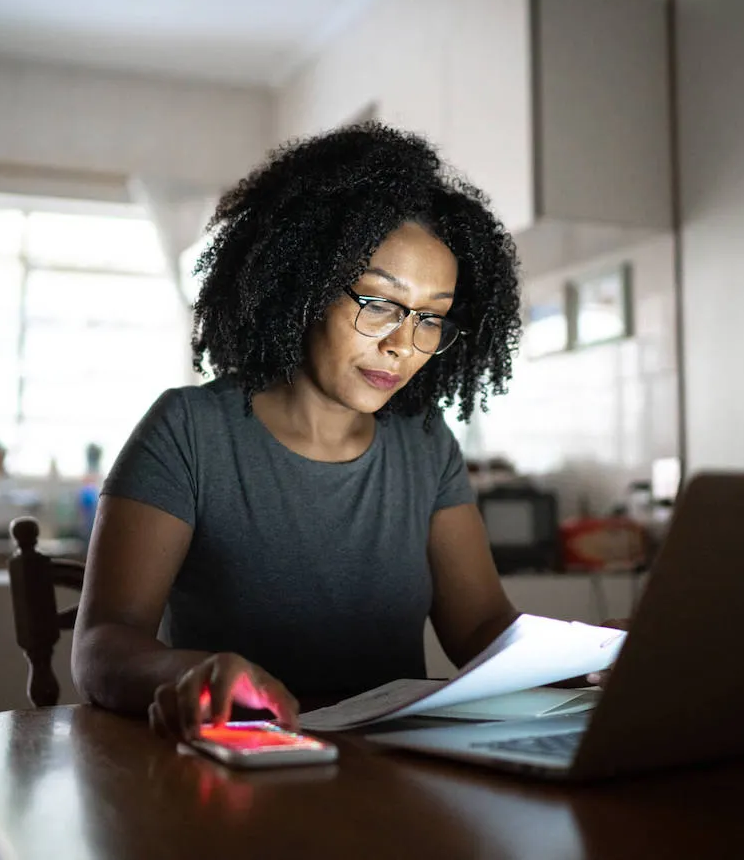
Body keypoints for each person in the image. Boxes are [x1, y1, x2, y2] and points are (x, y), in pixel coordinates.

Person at [73, 123, 538, 740]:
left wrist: (586, 661)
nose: (403, 345)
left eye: (431, 318)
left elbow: (480, 626)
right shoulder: (189, 430)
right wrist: (185, 672)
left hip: (396, 776)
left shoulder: (427, 444)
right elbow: (104, 642)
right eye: (377, 303)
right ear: (305, 285)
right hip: (239, 765)